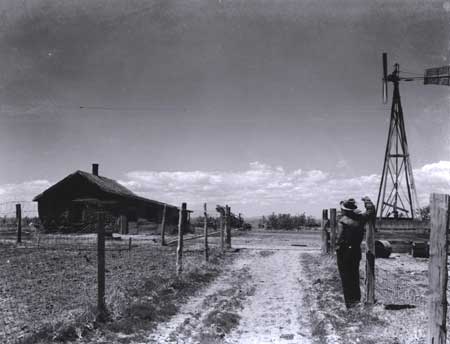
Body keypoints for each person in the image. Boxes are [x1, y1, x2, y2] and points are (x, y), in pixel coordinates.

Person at [336, 197, 375, 309]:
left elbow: (339, 239)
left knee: (345, 276)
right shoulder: (361, 218)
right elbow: (370, 211)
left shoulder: (342, 221)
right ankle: (356, 299)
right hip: (356, 250)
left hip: (344, 252)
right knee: (354, 275)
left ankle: (349, 302)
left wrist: (337, 248)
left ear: (345, 210)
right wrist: (367, 201)